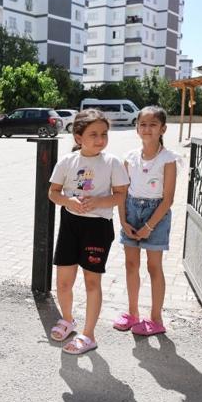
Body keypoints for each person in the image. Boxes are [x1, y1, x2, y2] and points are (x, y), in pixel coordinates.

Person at [47, 109, 129, 355]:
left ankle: (89, 334)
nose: (100, 139)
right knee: (63, 282)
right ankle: (68, 320)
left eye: (104, 134)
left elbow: (121, 195)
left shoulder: (112, 162)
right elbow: (53, 193)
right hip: (70, 225)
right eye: (93, 134)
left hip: (98, 228)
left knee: (92, 282)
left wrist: (99, 202)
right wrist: (68, 201)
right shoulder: (67, 162)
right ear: (78, 137)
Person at [114, 106, 180, 336]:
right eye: (143, 124)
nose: (147, 129)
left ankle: (156, 319)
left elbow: (168, 199)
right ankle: (132, 313)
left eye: (153, 125)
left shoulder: (168, 159)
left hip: (156, 214)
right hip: (131, 211)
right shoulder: (129, 158)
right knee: (131, 264)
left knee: (154, 267)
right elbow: (121, 192)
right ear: (136, 128)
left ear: (163, 129)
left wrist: (149, 226)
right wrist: (123, 221)